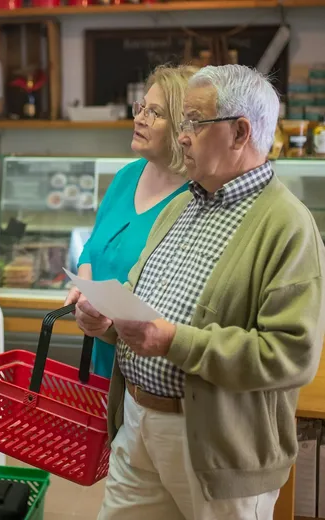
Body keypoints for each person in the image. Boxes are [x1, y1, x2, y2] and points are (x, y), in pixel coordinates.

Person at [74, 64, 325, 520]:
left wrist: (173, 341)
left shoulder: (287, 225)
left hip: (217, 449)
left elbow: (291, 355)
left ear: (240, 132)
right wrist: (106, 320)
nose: (183, 135)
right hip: (136, 424)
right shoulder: (183, 204)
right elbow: (138, 296)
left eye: (194, 121)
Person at [65, 65, 195, 378]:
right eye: (141, 107)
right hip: (105, 361)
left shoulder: (195, 197)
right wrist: (85, 295)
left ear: (184, 126)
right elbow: (93, 247)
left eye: (155, 113)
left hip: (155, 371)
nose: (139, 118)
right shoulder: (127, 176)